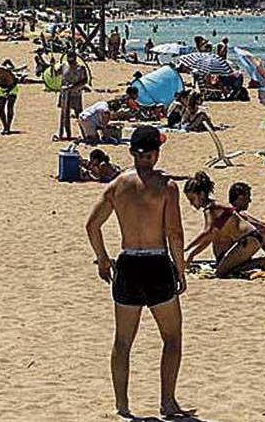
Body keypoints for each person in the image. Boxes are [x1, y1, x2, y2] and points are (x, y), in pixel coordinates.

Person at [84, 126, 190, 419]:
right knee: (171, 337)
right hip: (156, 264)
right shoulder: (166, 187)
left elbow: (92, 225)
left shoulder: (117, 186)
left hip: (128, 263)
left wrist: (103, 260)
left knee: (122, 340)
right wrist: (180, 270)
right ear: (155, 154)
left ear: (132, 152)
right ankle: (167, 403)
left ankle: (122, 406)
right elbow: (175, 233)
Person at [183, 171, 265, 278]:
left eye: (192, 199)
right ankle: (257, 262)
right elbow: (209, 238)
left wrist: (187, 248)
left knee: (220, 273)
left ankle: (259, 262)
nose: (191, 203)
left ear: (202, 195)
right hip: (252, 238)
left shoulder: (210, 209)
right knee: (224, 268)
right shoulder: (215, 206)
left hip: (248, 240)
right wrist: (191, 255)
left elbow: (206, 232)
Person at [57, 52, 88, 140]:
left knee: (79, 114)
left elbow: (85, 80)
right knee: (65, 115)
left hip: (76, 94)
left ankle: (85, 133)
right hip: (64, 93)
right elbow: (55, 74)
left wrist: (74, 86)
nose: (71, 63)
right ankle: (66, 134)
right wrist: (52, 65)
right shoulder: (63, 66)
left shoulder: (80, 68)